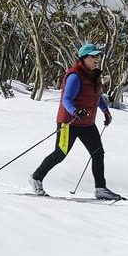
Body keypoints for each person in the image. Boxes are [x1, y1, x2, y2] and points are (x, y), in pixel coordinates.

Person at [30, 42, 121, 199]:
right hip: (68, 123)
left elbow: (96, 96)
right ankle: (36, 177)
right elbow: (66, 99)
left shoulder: (95, 75)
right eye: (93, 56)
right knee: (60, 153)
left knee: (98, 153)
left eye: (98, 56)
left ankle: (100, 188)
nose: (97, 59)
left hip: (87, 124)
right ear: (84, 58)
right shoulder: (75, 75)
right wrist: (75, 111)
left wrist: (105, 111)